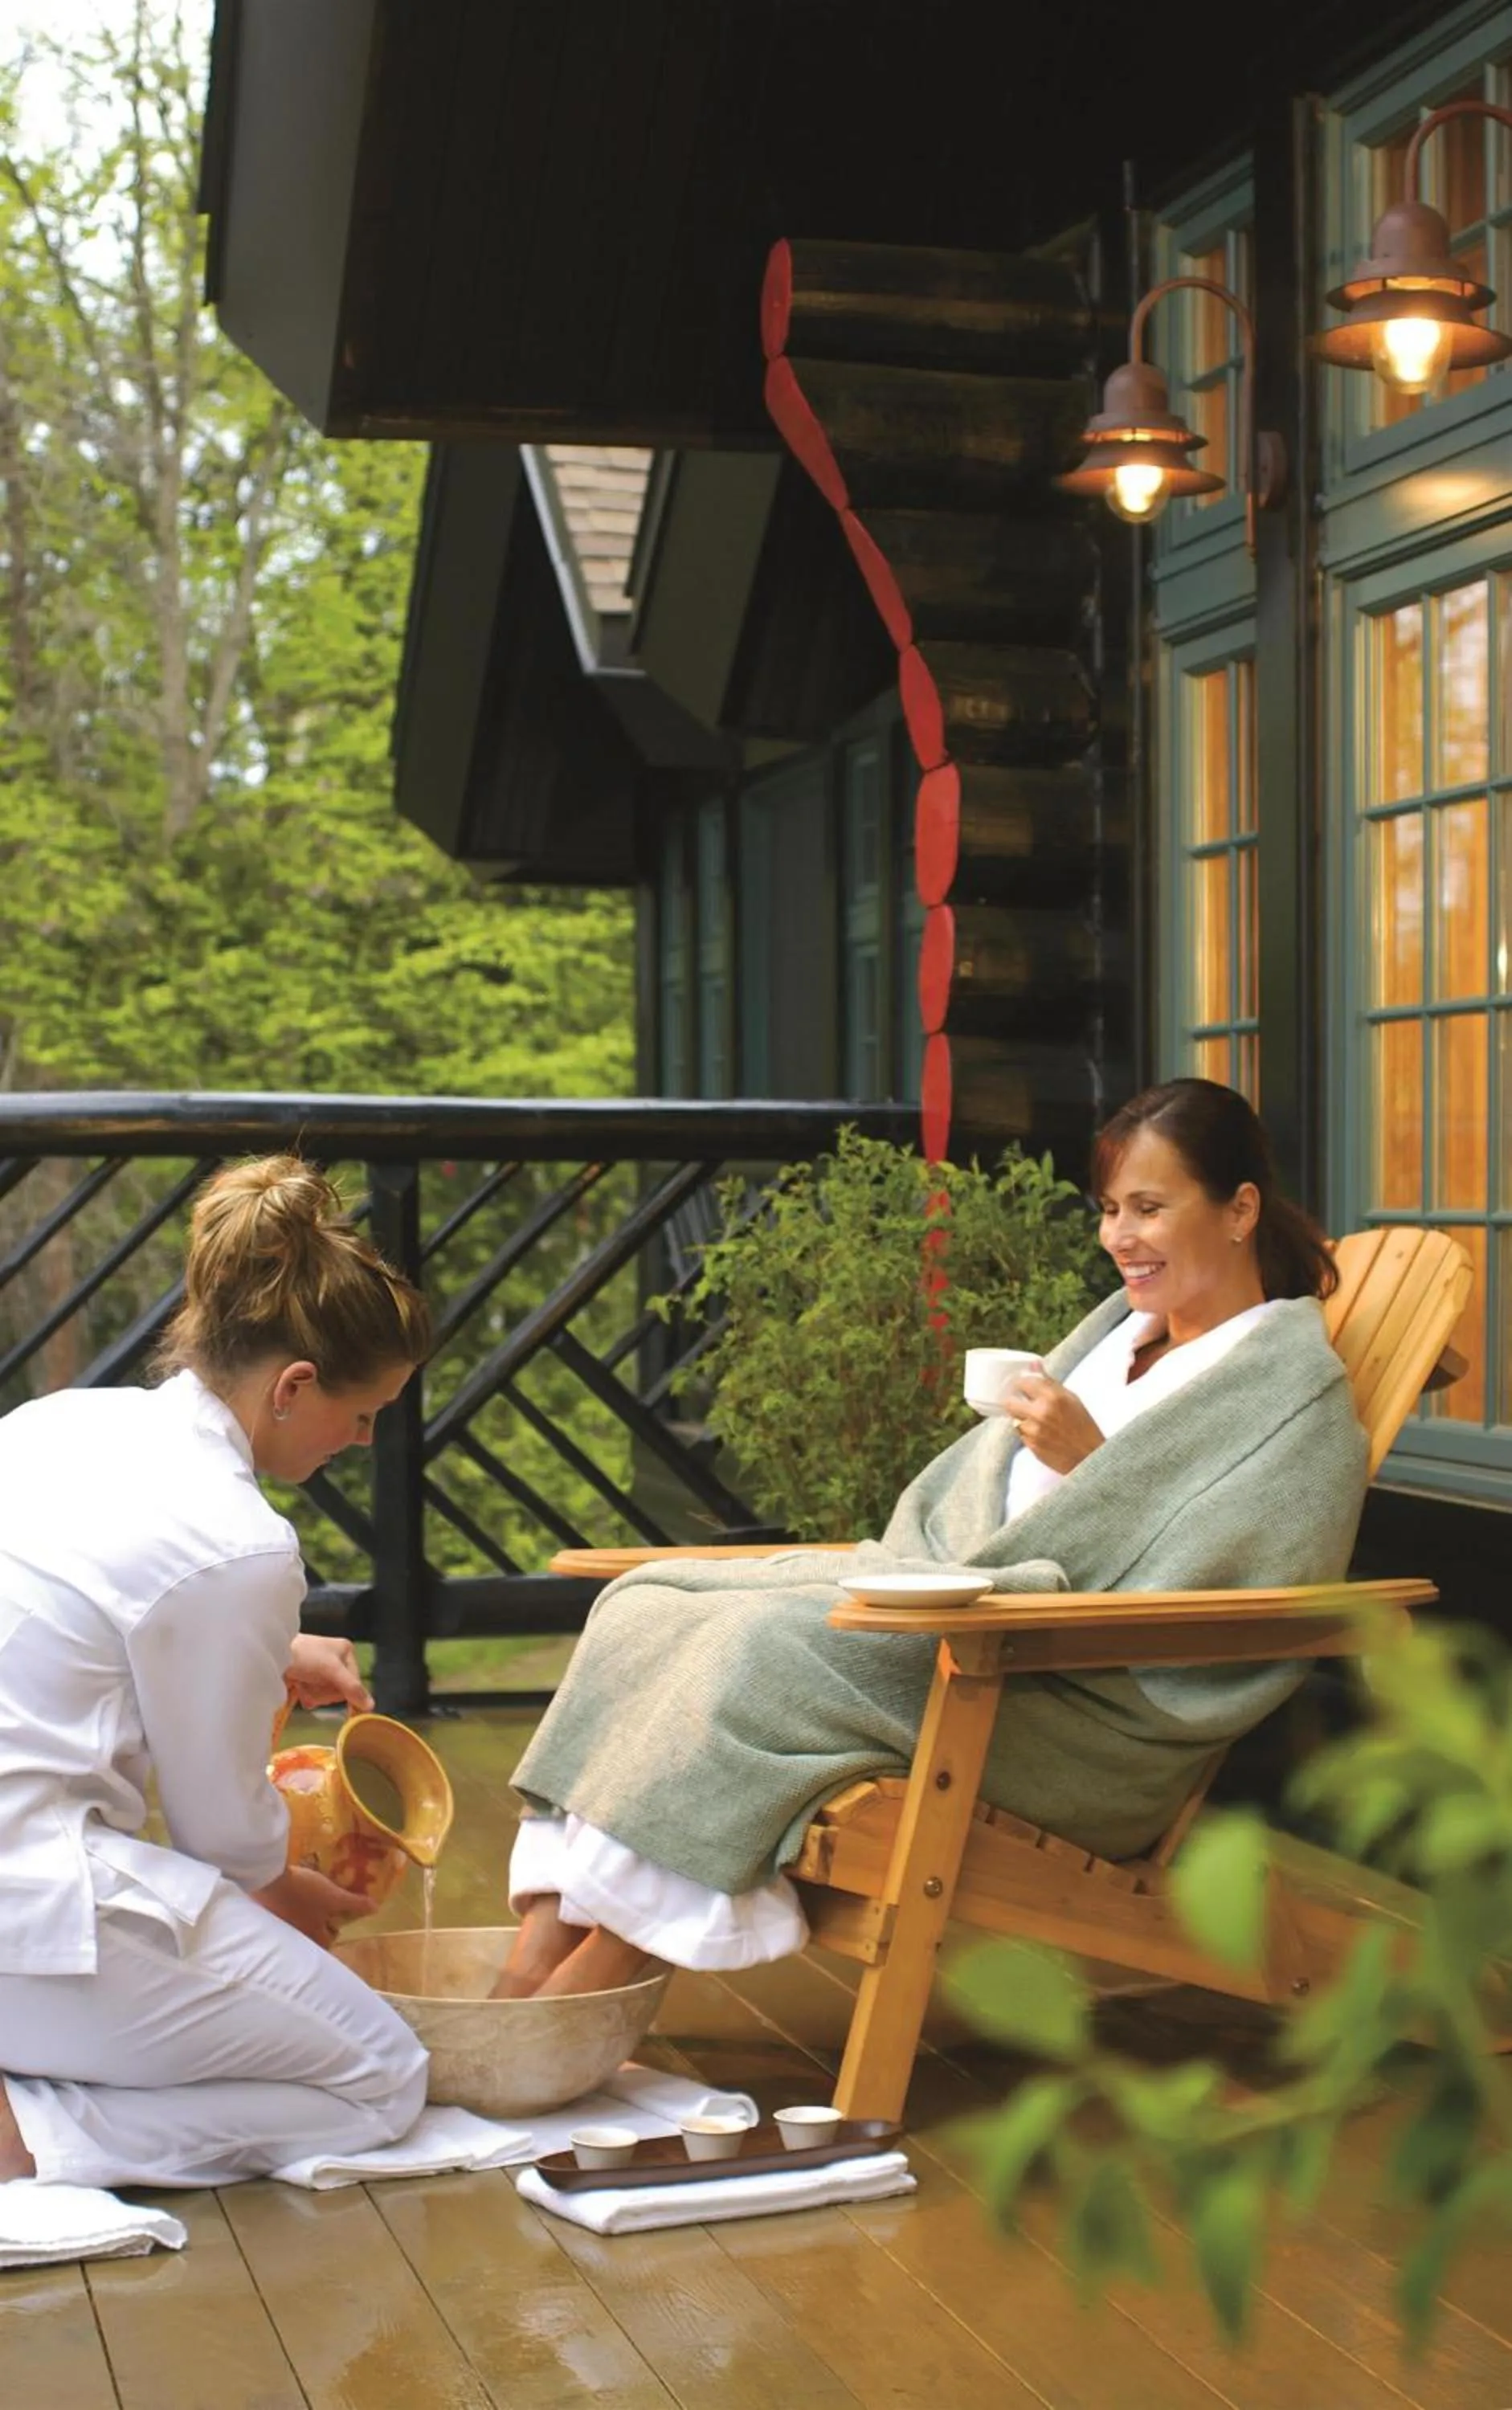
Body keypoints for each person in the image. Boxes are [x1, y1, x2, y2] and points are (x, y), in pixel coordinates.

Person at [497, 1080, 1370, 2000]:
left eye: (1150, 1208)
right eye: (1111, 1208)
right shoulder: (1119, 1337)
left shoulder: (1291, 1406)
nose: (1119, 1236)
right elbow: (973, 1495)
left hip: (1063, 1706)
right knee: (642, 1608)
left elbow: (1229, 1591)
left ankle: (580, 1994)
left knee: (756, 1654)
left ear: (1238, 1211)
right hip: (961, 1636)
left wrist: (1092, 1467)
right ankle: (539, 1951)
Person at [0, 1156, 432, 2190]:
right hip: (29, 1910)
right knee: (383, 2078)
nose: (362, 1439)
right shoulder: (240, 1544)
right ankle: (29, 2142)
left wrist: (271, 1650)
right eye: (363, 1413)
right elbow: (223, 1836)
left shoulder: (60, 1422)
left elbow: (81, 1611)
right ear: (291, 1387)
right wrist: (292, 1893)